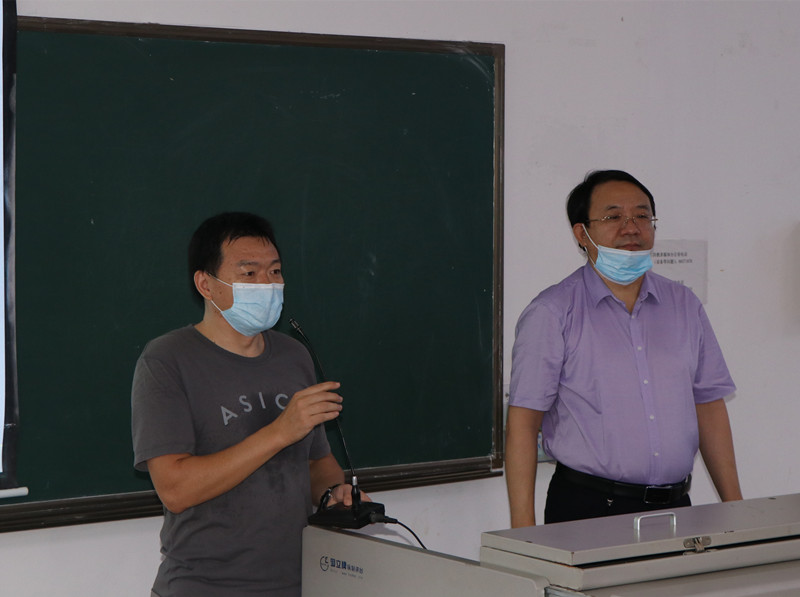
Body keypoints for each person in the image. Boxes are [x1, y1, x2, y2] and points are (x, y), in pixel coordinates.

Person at [132, 212, 363, 597]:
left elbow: (316, 462)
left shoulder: (294, 355)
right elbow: (176, 488)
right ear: (206, 284)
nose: (267, 284)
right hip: (204, 587)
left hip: (298, 583)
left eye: (275, 271)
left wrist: (334, 492)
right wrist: (279, 432)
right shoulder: (167, 360)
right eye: (250, 273)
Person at [505, 170, 742, 527]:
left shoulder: (683, 304)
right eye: (613, 217)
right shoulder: (552, 312)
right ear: (582, 234)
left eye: (642, 216)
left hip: (677, 507)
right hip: (589, 509)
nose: (631, 228)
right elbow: (523, 423)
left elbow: (708, 405)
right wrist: (523, 531)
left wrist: (735, 510)